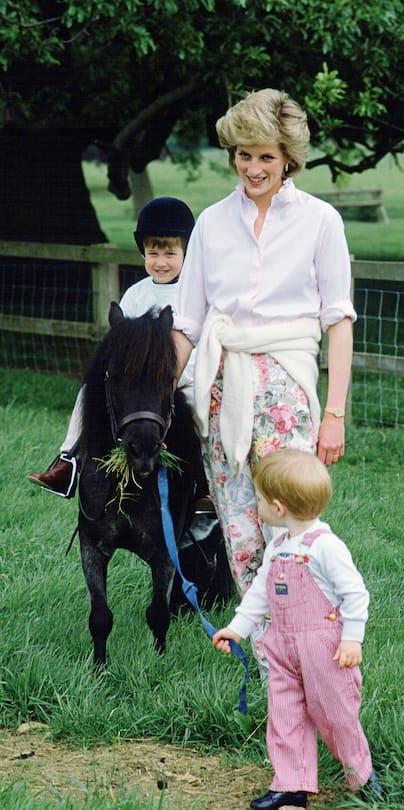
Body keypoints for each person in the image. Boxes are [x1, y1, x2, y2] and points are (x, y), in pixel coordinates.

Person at [170, 88, 356, 663]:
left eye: (266, 157)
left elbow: (339, 321)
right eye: (243, 155)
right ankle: (270, 645)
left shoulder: (320, 221)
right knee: (240, 524)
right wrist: (160, 389)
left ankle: (314, 635)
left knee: (289, 515)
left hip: (285, 384)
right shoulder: (210, 222)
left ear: (289, 159)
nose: (253, 168)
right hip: (221, 385)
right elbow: (188, 323)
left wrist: (334, 413)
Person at [213, 449, 381, 809]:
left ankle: (362, 775)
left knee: (335, 716)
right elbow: (260, 592)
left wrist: (352, 638)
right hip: (283, 648)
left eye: (258, 499)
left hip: (325, 650)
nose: (255, 505)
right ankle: (291, 786)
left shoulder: (326, 547)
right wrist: (237, 629)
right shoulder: (277, 547)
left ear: (279, 506)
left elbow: (355, 594)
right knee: (284, 714)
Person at [28, 196, 196, 497]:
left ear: (187, 252)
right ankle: (69, 461)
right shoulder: (135, 295)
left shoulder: (193, 293)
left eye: (170, 253)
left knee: (202, 409)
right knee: (88, 392)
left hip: (184, 379)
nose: (160, 261)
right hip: (138, 384)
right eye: (152, 252)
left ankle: (202, 485)